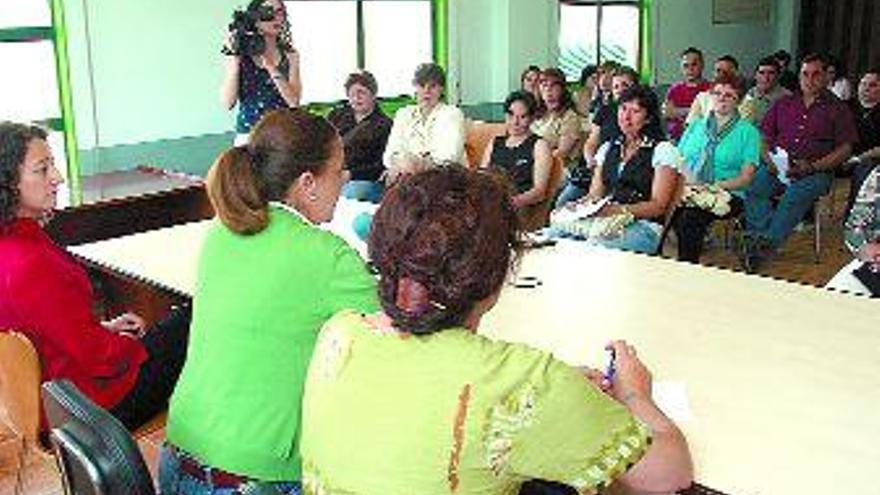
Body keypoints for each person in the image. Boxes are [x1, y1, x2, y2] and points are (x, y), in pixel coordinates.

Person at [300, 166, 693, 495]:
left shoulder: (340, 333)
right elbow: (669, 473)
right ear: (499, 273)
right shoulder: (522, 382)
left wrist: (559, 389)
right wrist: (635, 394)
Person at [159, 109, 379, 494]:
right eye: (340, 169)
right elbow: (397, 341)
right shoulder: (326, 255)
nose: (346, 178)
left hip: (178, 462)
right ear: (308, 182)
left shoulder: (222, 232)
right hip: (252, 479)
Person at [0, 122, 191, 431]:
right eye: (42, 169)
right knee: (193, 319)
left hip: (47, 398)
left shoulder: (11, 243)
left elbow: (42, 329)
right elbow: (99, 359)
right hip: (89, 408)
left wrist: (102, 328)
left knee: (169, 329)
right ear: (8, 182)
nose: (57, 178)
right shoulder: (31, 263)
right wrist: (134, 347)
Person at [744, 54, 858, 271]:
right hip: (778, 165)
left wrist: (814, 166)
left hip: (816, 170)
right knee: (755, 187)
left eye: (816, 74)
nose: (809, 79)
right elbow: (763, 136)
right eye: (805, 74)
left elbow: (846, 149)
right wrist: (769, 159)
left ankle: (764, 245)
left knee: (794, 195)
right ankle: (760, 240)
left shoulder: (838, 109)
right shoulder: (784, 103)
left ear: (826, 77)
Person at [550, 85, 683, 254]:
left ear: (648, 118)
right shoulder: (608, 147)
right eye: (623, 108)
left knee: (592, 247)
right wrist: (579, 207)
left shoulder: (663, 150)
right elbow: (595, 195)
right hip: (606, 220)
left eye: (635, 111)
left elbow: (658, 206)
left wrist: (615, 211)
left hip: (644, 226)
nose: (626, 117)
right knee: (551, 236)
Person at [673, 74, 760, 263]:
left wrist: (711, 185)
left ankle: (686, 270)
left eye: (729, 95)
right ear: (709, 96)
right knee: (662, 208)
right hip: (690, 188)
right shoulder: (695, 126)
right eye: (717, 93)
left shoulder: (748, 133)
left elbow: (746, 179)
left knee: (689, 218)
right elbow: (678, 161)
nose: (722, 98)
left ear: (739, 101)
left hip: (728, 192)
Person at [555, 66, 638, 207]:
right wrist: (590, 159)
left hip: (625, 170)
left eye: (625, 85)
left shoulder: (641, 114)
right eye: (616, 86)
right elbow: (591, 142)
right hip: (598, 167)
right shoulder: (605, 111)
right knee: (563, 202)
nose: (620, 89)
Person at [220, 0, 302, 144]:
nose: (277, 17)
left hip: (282, 133)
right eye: (269, 12)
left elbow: (294, 102)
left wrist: (270, 66)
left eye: (280, 11)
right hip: (248, 135)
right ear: (256, 19)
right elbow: (227, 103)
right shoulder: (241, 54)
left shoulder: (290, 55)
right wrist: (235, 60)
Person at [382, 62, 466, 184]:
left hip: (444, 179)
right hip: (406, 177)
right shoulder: (404, 114)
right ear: (415, 87)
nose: (427, 91)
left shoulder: (452, 113)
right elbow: (390, 154)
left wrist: (415, 163)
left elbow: (449, 158)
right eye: (422, 85)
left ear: (441, 89)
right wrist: (402, 163)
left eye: (432, 86)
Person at [480, 90, 552, 228]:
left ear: (531, 118)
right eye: (511, 115)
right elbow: (482, 176)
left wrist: (510, 202)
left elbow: (539, 192)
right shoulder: (495, 142)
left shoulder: (539, 145)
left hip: (519, 206)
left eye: (522, 116)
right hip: (490, 201)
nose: (515, 122)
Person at [327, 70, 392, 203]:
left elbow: (381, 165)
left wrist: (351, 174)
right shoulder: (336, 116)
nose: (356, 98)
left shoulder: (384, 124)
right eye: (352, 94)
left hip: (365, 179)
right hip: (332, 173)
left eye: (362, 93)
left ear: (373, 95)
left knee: (348, 193)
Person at [530, 68, 584, 171]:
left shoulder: (569, 117)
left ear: (562, 89)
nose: (548, 90)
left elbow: (561, 153)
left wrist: (533, 162)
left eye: (554, 86)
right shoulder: (536, 114)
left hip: (558, 170)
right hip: (533, 164)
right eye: (544, 85)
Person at [844, 69, 880, 217]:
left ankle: (854, 218)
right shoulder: (843, 107)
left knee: (866, 168)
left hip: (869, 160)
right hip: (840, 157)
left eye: (872, 85)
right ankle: (805, 215)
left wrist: (858, 158)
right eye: (863, 83)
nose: (865, 88)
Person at [663, 47, 711, 141]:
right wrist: (696, 110)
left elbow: (709, 114)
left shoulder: (710, 88)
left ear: (702, 65)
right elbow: (667, 113)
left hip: (701, 138)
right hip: (675, 138)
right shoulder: (674, 89)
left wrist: (677, 111)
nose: (690, 69)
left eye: (694, 64)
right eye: (686, 65)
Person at [685, 55, 744, 124]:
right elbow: (690, 125)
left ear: (735, 73)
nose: (721, 74)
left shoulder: (745, 99)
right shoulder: (702, 97)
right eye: (718, 70)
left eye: (726, 71)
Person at [741, 56, 792, 124]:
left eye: (771, 73)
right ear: (755, 76)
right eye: (761, 73)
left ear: (778, 76)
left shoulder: (787, 97)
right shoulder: (749, 94)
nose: (765, 78)